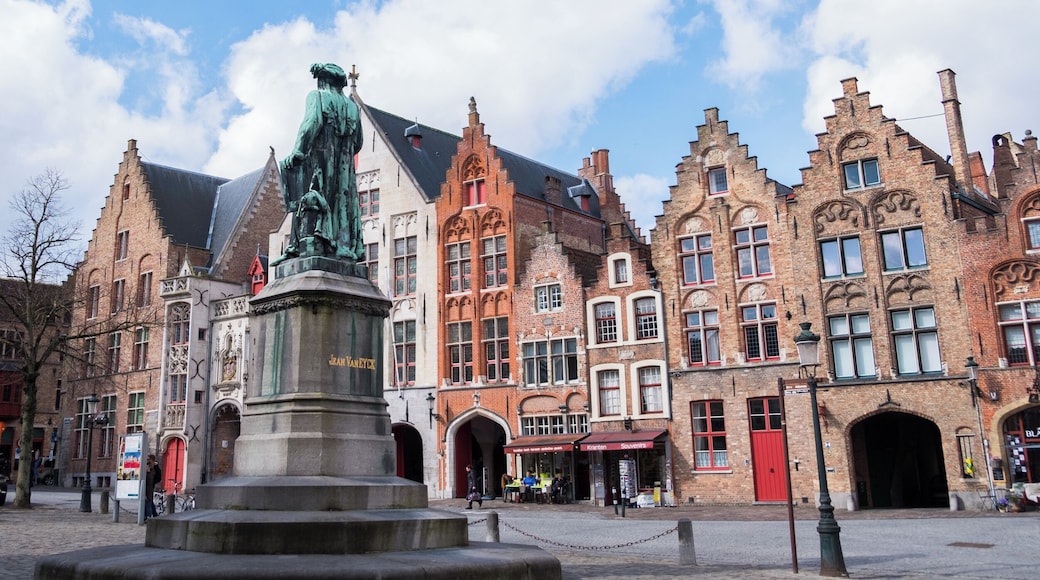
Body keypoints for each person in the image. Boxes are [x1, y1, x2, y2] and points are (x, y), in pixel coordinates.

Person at [278, 62, 365, 264]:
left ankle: (316, 242)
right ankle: (341, 245)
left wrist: (298, 151)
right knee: (342, 205)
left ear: (322, 80)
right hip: (345, 170)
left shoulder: (317, 96)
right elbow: (359, 142)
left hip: (319, 162)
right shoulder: (352, 108)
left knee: (313, 201)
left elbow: (312, 123)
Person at [144, 455, 162, 519]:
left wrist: (153, 482)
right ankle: (153, 515)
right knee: (149, 502)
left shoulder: (154, 469)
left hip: (150, 487)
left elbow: (158, 477)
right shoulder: (146, 467)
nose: (147, 461)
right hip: (145, 487)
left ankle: (149, 516)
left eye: (149, 459)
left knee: (148, 501)